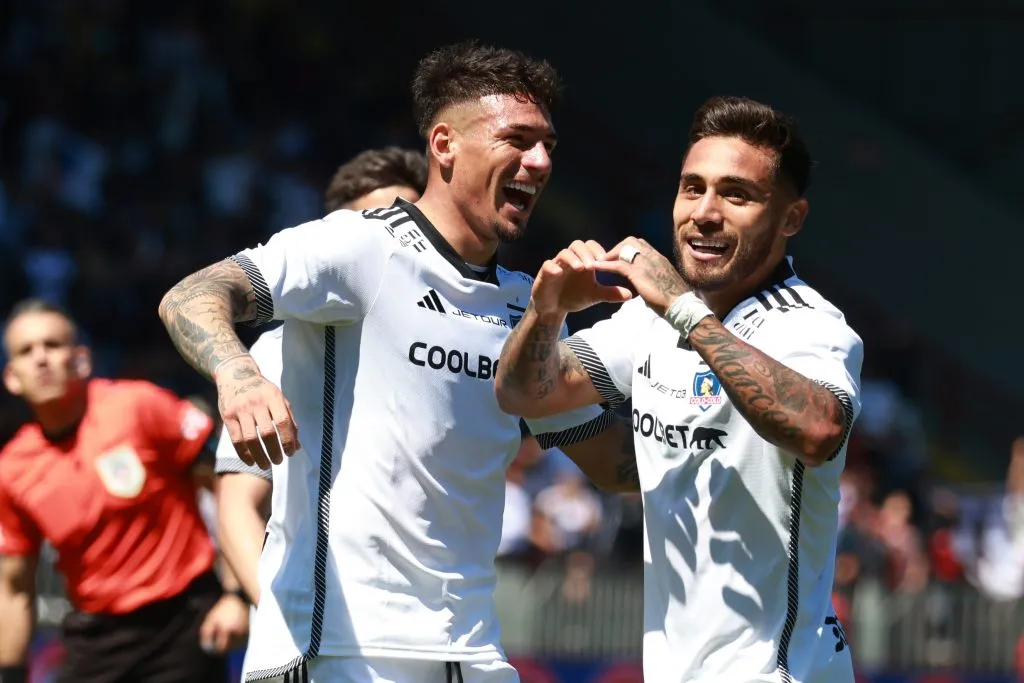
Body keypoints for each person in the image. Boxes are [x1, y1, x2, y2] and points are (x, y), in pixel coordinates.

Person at [158, 42, 636, 683]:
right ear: (445, 145)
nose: (541, 161)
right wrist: (239, 376)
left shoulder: (530, 305)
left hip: (470, 651)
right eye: (518, 139)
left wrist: (675, 356)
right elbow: (191, 295)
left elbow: (613, 467)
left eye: (548, 143)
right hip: (337, 647)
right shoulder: (362, 246)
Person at [494, 96, 864, 683]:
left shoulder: (810, 325)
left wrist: (684, 309)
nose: (705, 212)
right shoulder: (646, 323)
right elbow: (526, 396)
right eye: (693, 188)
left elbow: (819, 431)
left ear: (790, 218)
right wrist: (546, 313)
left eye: (736, 194)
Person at [215, 146, 429, 608]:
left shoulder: (459, 333)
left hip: (450, 626)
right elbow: (237, 505)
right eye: (371, 224)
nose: (389, 241)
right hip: (329, 635)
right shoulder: (276, 351)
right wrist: (275, 613)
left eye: (404, 222)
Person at [0, 300, 249, 683]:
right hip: (97, 638)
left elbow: (226, 486)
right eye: (26, 351)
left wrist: (236, 595)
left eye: (52, 345)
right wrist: (11, 673)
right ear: (12, 377)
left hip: (184, 623)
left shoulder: (139, 406)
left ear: (81, 359)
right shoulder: (12, 469)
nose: (41, 359)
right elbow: (14, 588)